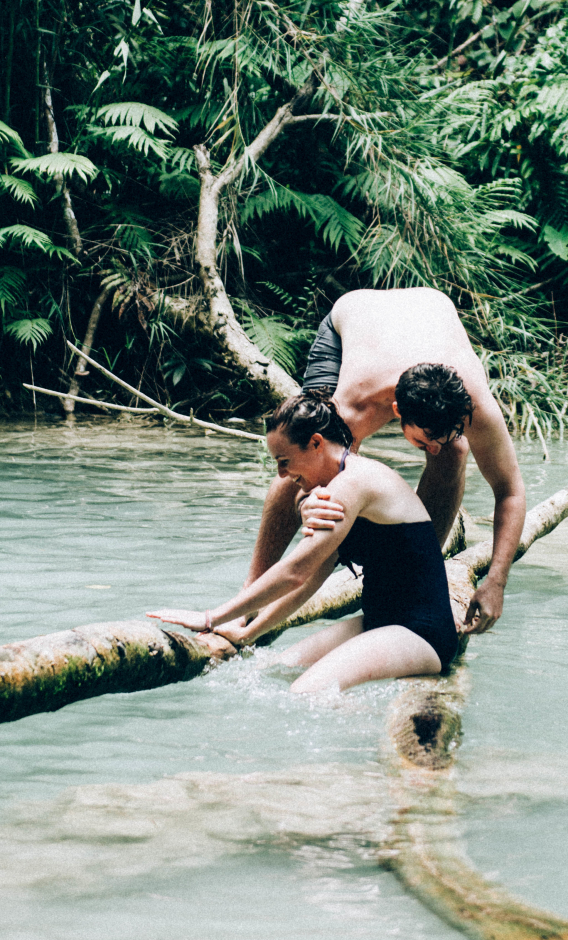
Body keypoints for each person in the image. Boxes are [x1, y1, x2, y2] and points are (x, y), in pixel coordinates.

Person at [246, 288, 526, 635]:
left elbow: (510, 490)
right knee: (311, 458)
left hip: (427, 314)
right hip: (351, 322)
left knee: (455, 452)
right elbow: (303, 467)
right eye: (424, 442)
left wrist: (496, 582)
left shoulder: (477, 407)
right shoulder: (352, 405)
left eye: (438, 438)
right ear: (396, 411)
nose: (432, 449)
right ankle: (251, 597)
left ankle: (411, 581)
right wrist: (308, 503)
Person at [149, 391, 458, 695]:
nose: (282, 474)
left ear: (316, 443)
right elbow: (310, 579)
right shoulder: (335, 487)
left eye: (284, 462)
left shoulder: (353, 483)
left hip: (421, 633)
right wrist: (247, 634)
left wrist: (210, 617)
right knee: (273, 671)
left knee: (306, 692)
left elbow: (294, 571)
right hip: (378, 621)